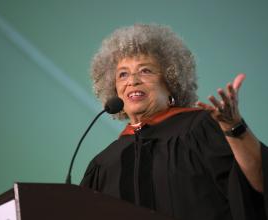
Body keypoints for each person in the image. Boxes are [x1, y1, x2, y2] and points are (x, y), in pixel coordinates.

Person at [80, 23, 268, 220]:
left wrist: (234, 127)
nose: (132, 81)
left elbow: (258, 184)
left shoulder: (201, 127)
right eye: (123, 74)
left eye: (145, 71)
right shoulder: (104, 163)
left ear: (170, 82)